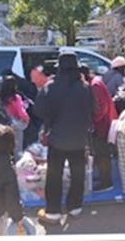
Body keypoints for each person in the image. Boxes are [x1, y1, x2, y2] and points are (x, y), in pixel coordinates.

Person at [33, 52, 98, 226]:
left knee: (54, 175)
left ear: (59, 68)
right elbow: (95, 110)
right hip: (79, 139)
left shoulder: (50, 86)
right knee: (78, 174)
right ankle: (75, 208)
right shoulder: (85, 87)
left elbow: (38, 110)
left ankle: (53, 213)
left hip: (57, 139)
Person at [80, 64, 117, 193]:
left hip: (102, 124)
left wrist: (92, 120)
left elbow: (102, 106)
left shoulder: (94, 85)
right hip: (102, 123)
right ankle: (102, 176)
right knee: (100, 152)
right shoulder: (95, 82)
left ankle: (107, 182)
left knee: (103, 153)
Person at [0, 75, 30, 159]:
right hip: (15, 125)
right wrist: (26, 119)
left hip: (3, 124)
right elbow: (21, 112)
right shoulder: (16, 98)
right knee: (17, 149)